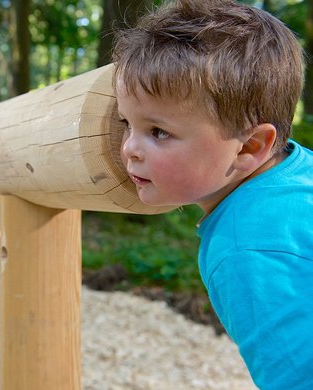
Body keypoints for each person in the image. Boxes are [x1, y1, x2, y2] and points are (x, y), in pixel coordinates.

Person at [112, 0, 313, 388]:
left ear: (249, 147)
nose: (128, 149)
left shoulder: (247, 249)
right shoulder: (297, 172)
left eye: (158, 132)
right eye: (126, 123)